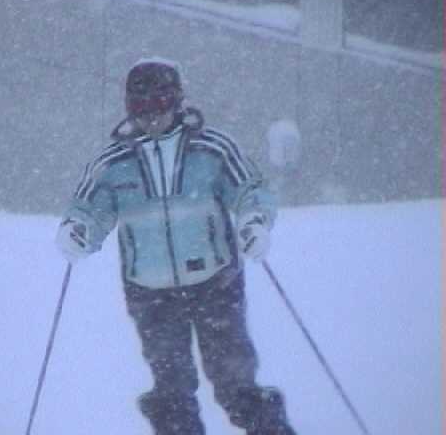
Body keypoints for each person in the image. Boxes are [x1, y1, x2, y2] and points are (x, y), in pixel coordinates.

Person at [56, 57, 296, 435]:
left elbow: (250, 190)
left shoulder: (212, 149)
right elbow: (88, 209)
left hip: (216, 282)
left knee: (234, 382)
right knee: (172, 390)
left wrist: (253, 221)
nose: (151, 115)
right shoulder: (112, 163)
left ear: (178, 100)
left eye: (160, 102)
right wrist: (78, 231)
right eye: (140, 105)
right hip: (150, 293)